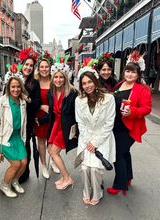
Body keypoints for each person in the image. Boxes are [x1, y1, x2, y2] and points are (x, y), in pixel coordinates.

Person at [107, 61, 151, 195]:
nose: (130, 74)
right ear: (123, 72)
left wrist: (133, 112)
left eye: (133, 72)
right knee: (125, 153)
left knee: (118, 153)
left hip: (129, 127)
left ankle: (119, 184)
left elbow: (147, 108)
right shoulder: (119, 85)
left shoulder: (142, 89)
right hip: (116, 126)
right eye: (127, 71)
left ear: (138, 75)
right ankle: (128, 177)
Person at [75, 68, 116, 205]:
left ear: (95, 81)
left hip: (102, 137)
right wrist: (88, 141)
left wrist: (96, 143)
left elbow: (109, 123)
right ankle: (86, 191)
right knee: (85, 168)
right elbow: (80, 123)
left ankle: (98, 192)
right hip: (86, 138)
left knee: (95, 168)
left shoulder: (109, 99)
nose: (87, 86)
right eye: (84, 83)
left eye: (90, 82)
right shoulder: (79, 100)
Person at [0, 76, 28, 198]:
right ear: (8, 88)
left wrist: (24, 138)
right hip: (4, 139)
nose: (15, 89)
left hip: (17, 137)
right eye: (13, 87)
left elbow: (24, 123)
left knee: (24, 162)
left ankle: (14, 181)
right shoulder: (0, 102)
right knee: (16, 164)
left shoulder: (22, 102)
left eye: (18, 87)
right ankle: (5, 185)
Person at [47, 62, 78, 190]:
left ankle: (67, 178)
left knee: (54, 153)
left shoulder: (72, 93)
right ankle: (65, 177)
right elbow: (51, 113)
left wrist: (76, 131)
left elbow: (78, 113)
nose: (58, 80)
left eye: (61, 77)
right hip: (55, 125)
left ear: (65, 78)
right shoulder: (51, 93)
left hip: (65, 127)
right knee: (51, 151)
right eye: (56, 77)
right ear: (52, 78)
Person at [18, 48, 41, 183]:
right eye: (26, 64)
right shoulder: (13, 77)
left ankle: (25, 172)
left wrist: (26, 98)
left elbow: (37, 102)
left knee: (26, 146)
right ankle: (17, 169)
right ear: (22, 65)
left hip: (27, 120)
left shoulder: (34, 83)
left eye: (31, 66)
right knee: (15, 146)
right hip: (14, 118)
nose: (28, 67)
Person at [34, 58, 58, 179]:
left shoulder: (54, 81)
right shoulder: (35, 82)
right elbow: (30, 99)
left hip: (53, 116)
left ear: (50, 68)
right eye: (42, 67)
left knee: (53, 140)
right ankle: (43, 165)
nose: (44, 69)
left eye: (46, 67)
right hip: (39, 116)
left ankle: (54, 161)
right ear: (38, 69)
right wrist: (41, 107)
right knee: (41, 141)